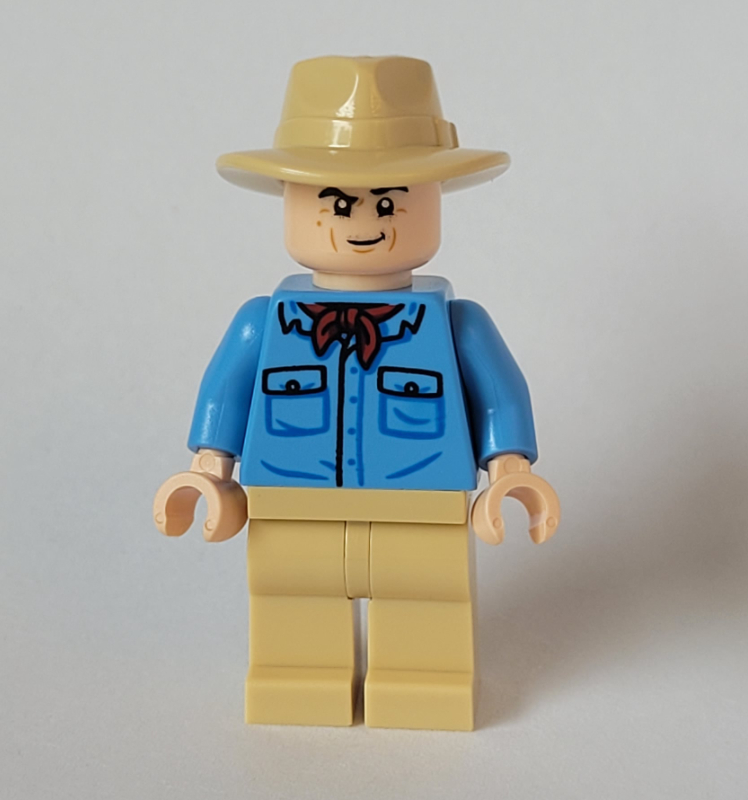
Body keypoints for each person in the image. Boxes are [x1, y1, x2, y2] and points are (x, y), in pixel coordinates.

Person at [154, 55, 560, 731]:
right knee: (292, 601)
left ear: (433, 199)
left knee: (427, 603)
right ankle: (298, 679)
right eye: (337, 203)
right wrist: (208, 471)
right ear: (289, 199)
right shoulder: (263, 323)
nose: (364, 221)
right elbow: (225, 394)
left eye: (390, 201)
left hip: (421, 502)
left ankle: (424, 683)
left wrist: (510, 471)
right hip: (290, 500)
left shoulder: (456, 325)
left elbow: (500, 396)